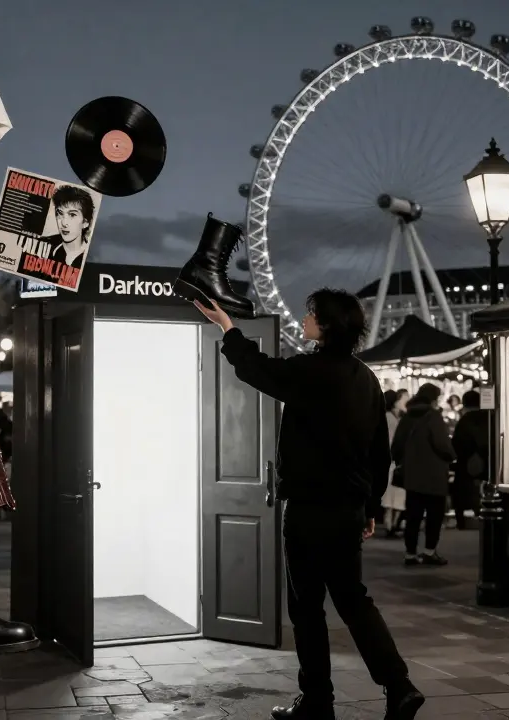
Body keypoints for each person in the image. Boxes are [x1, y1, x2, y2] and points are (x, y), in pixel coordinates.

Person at [192, 288, 424, 720]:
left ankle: (318, 701)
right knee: (354, 601)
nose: (303, 320)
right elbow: (379, 453)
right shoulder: (366, 379)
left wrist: (227, 327)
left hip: (310, 510)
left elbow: (257, 370)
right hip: (348, 510)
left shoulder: (311, 371)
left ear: (327, 325)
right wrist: (369, 507)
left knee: (307, 609)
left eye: (309, 314)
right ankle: (399, 686)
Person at [391, 383, 454, 567]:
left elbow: (396, 446)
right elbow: (442, 444)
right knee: (434, 515)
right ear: (433, 398)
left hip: (412, 474)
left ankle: (410, 553)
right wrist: (452, 456)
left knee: (413, 515)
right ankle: (429, 552)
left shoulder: (407, 417)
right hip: (434, 474)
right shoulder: (433, 416)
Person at [450, 390, 488, 529]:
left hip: (466, 463)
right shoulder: (488, 418)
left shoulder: (464, 420)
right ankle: (482, 516)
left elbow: (457, 444)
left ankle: (461, 521)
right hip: (486, 461)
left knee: (461, 492)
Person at [40, 186, 95, 268]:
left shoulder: (91, 257)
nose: (64, 223)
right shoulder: (44, 247)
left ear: (85, 223)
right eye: (60, 213)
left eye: (72, 215)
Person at [380, 389, 409, 538]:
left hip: (393, 462)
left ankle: (391, 525)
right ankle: (391, 526)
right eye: (405, 397)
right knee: (394, 495)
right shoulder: (390, 419)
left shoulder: (394, 418)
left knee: (392, 496)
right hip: (393, 461)